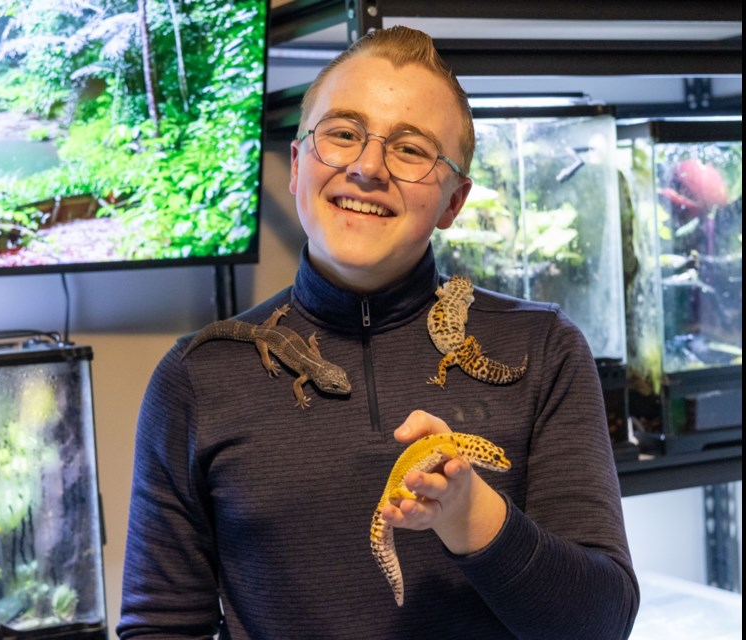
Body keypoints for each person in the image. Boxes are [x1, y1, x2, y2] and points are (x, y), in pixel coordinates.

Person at [118, 26, 639, 639]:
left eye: (412, 150)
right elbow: (160, 626)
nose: (367, 168)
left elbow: (600, 624)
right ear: (297, 164)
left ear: (453, 201)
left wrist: (474, 518)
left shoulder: (544, 349)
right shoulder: (196, 379)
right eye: (342, 134)